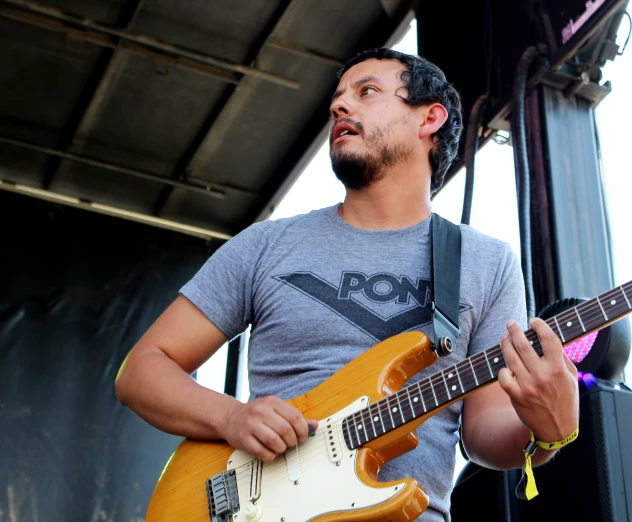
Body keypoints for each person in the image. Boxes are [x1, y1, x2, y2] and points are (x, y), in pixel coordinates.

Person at [115, 47, 579, 522]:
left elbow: (483, 436)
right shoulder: (267, 244)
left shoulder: (486, 262)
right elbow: (142, 371)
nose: (340, 106)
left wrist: (544, 435)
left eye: (367, 92)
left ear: (430, 119)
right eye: (337, 98)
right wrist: (231, 417)